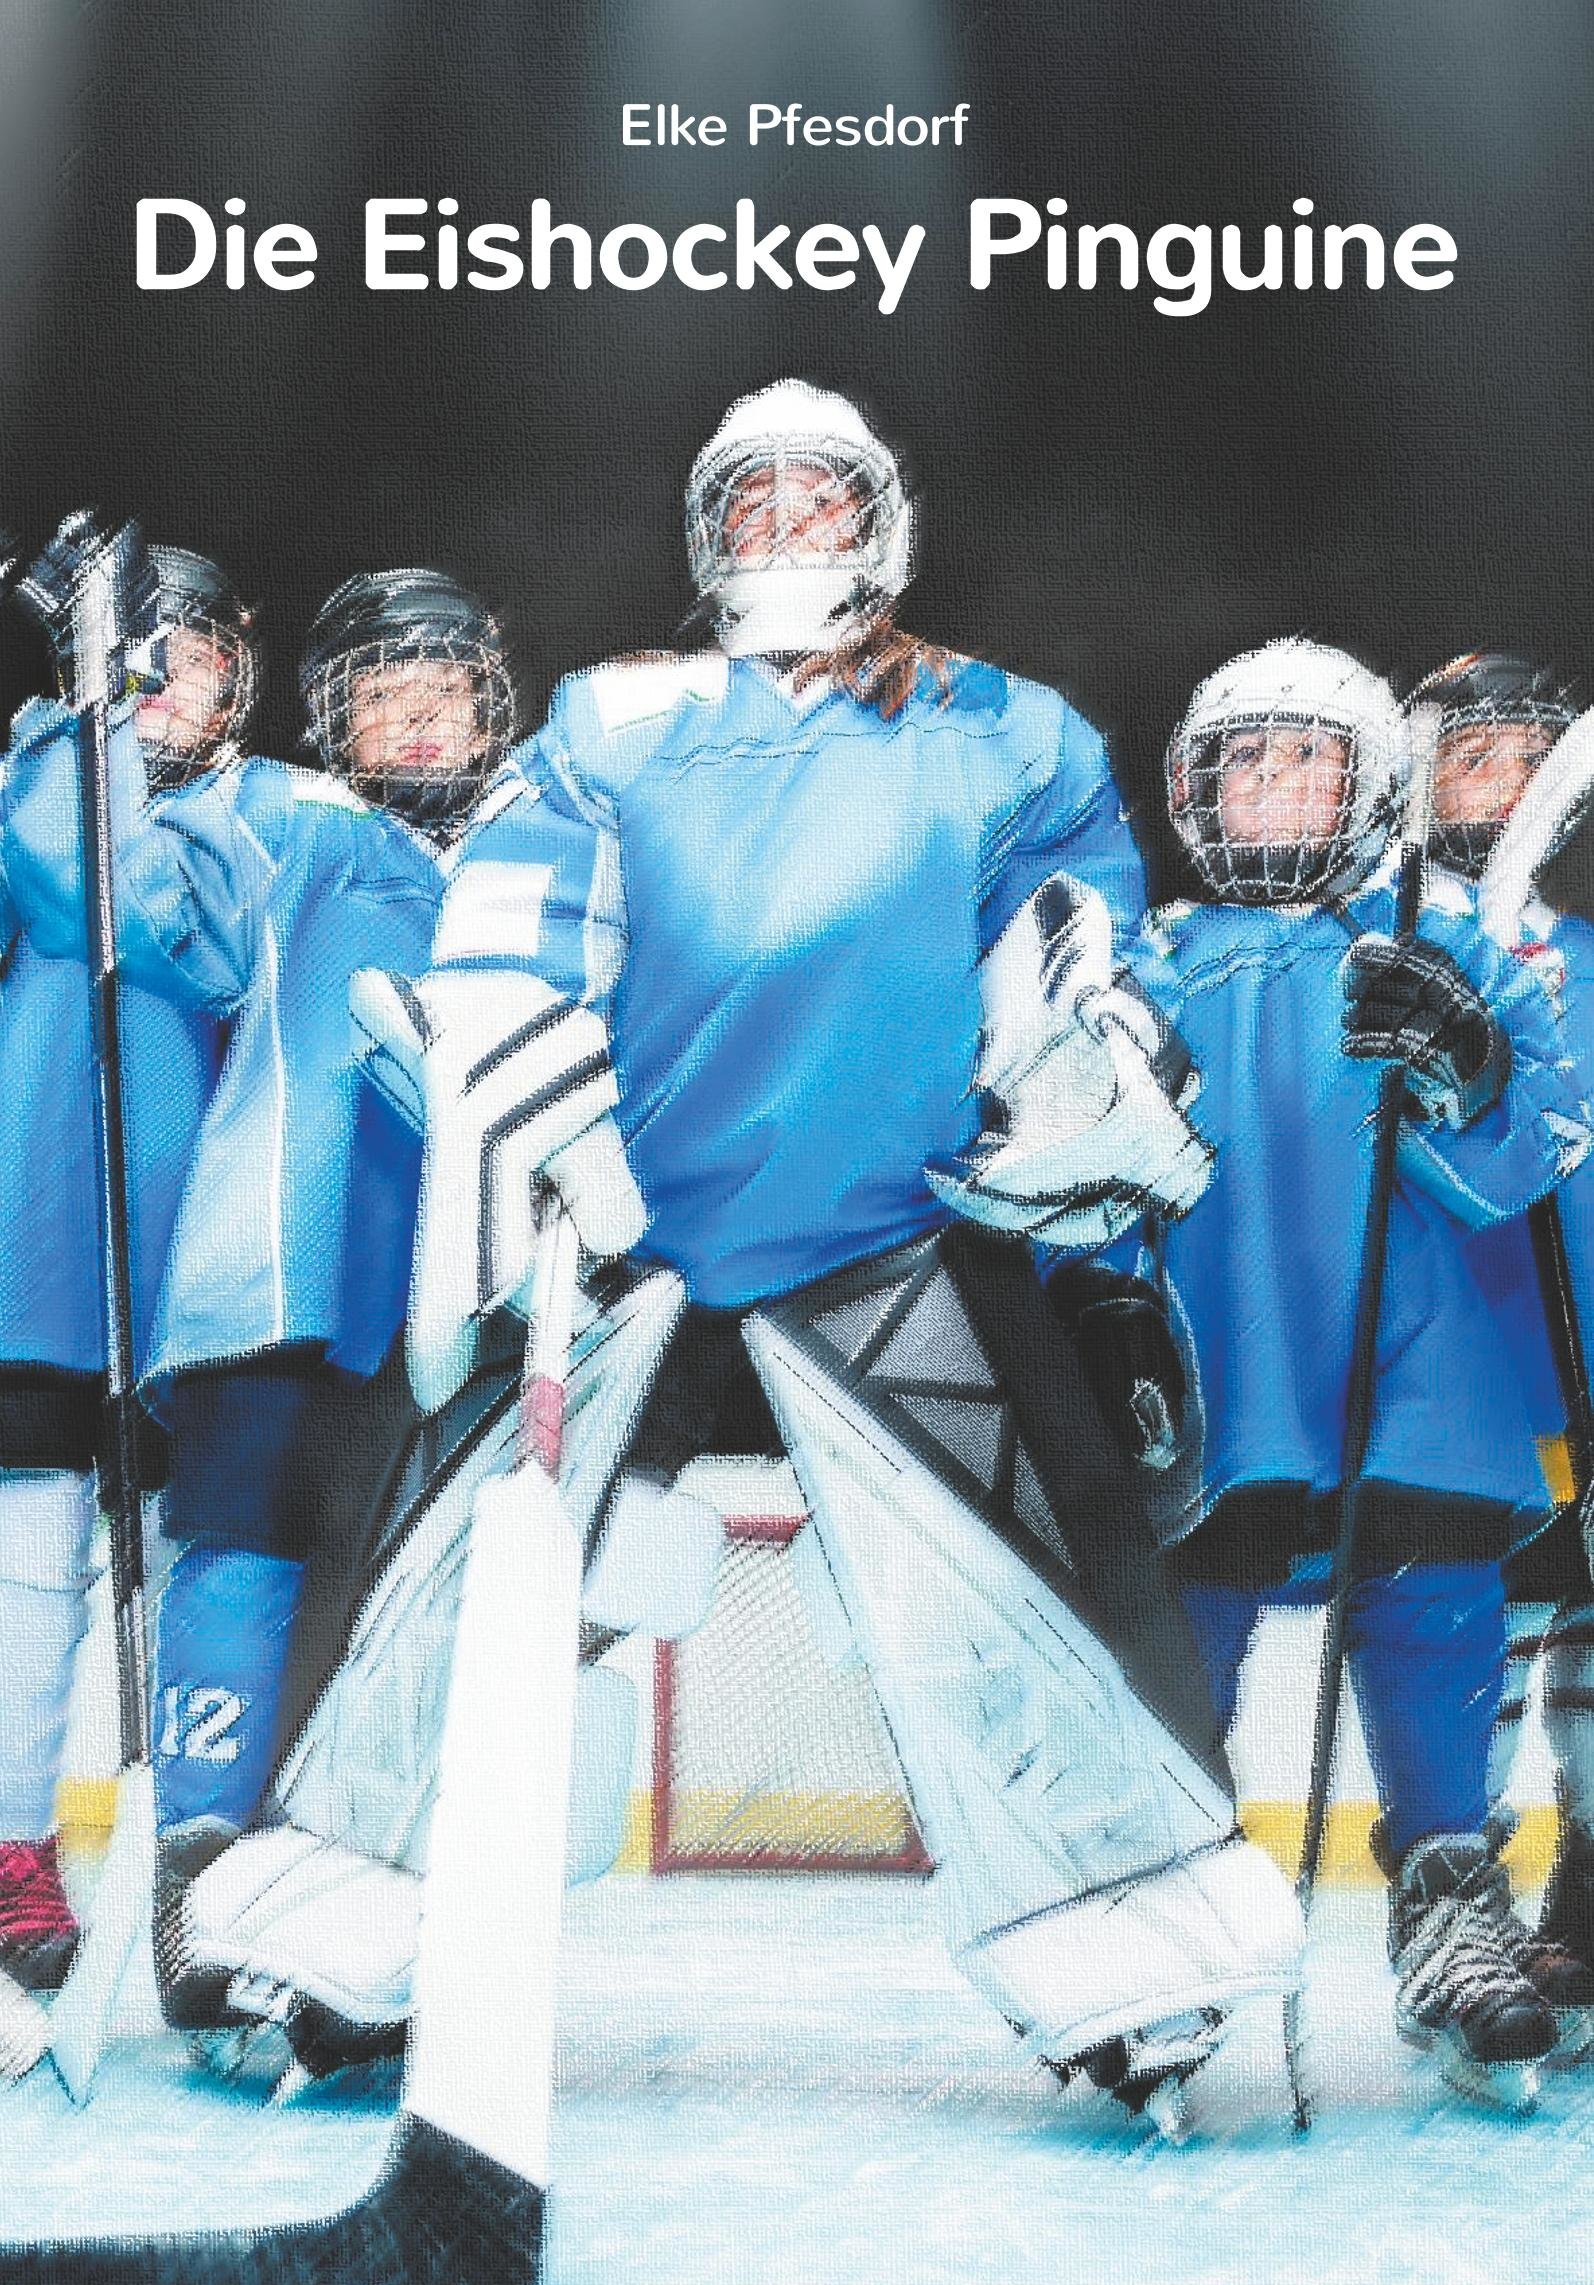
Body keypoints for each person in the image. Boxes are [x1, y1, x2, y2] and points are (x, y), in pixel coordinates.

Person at [196, 380, 1302, 2132]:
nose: (788, 529)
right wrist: (530, 1089)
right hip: (624, 1234)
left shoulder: (1008, 728)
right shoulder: (613, 717)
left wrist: (1082, 1058)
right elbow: (513, 923)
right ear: (711, 535)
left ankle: (1129, 1957)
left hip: (895, 1228)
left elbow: (1069, 932)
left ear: (881, 522)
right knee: (437, 1575)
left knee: (1029, 1591)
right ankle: (343, 1925)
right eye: (755, 502)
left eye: (819, 499)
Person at [1, 557, 529, 1897]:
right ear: (332, 718)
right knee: (233, 1559)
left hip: (490, 1300)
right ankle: (196, 1871)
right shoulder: (288, 822)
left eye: (445, 689)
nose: (419, 717)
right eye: (384, 693)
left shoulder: (551, 853)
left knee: (434, 1598)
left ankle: (363, 1885)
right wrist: (85, 715)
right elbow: (107, 898)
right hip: (283, 1285)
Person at [1136, 635, 1585, 2106]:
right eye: (1245, 761)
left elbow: (1526, 1159)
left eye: (1308, 760)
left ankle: (1448, 1897)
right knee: (1187, 1620)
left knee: (1433, 1589)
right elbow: (1076, 1168)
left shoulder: (1447, 946)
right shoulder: (1145, 961)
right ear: (1196, 789)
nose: (1274, 785)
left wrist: (1469, 1068)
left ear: (1369, 783)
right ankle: (1159, 1909)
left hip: (1413, 1357)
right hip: (1223, 1352)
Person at [0, 538, 252, 1989]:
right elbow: (55, 889)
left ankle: (196, 1851)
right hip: (40, 1254)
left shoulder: (246, 826)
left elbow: (185, 943)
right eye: (145, 664)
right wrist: (69, 731)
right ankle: (11, 1843)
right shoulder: (31, 790)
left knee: (187, 1565)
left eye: (198, 663)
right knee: (27, 1569)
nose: (171, 688)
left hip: (192, 1276)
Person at [1408, 653, 1594, 2023]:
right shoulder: (1381, 948)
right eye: (1474, 758)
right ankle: (1453, 1906)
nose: (1509, 783)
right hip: (1456, 1370)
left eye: (1533, 759)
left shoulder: (1583, 953)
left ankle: (1582, 1904)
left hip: (1581, 1362)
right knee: (1470, 1643)